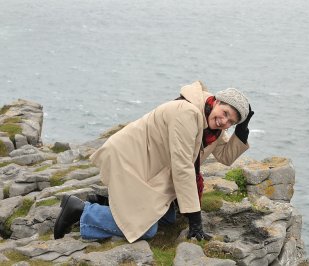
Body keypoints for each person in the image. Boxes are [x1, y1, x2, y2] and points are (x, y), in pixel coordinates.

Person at [53, 80, 254, 242]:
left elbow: (225, 156)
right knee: (146, 230)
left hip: (151, 167)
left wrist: (242, 131)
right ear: (217, 101)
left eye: (231, 122)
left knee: (168, 217)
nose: (224, 122)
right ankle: (82, 212)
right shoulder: (187, 112)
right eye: (225, 114)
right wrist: (195, 219)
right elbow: (182, 167)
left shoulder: (212, 128)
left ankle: (104, 202)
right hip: (131, 160)